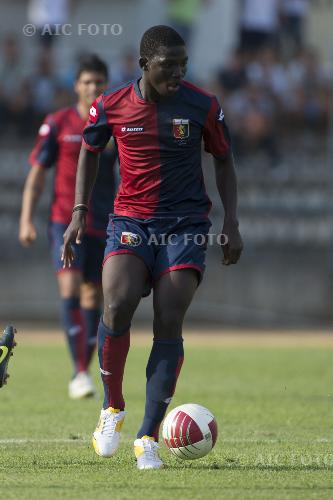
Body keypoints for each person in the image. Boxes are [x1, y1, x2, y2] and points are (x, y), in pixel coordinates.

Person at [62, 25, 243, 470]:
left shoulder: (202, 105)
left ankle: (148, 437)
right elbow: (90, 149)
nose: (178, 73)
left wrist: (232, 221)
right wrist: (80, 210)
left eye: (183, 64)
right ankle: (112, 409)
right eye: (169, 65)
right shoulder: (112, 104)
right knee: (117, 303)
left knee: (170, 315)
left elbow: (224, 159)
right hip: (130, 220)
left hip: (185, 225)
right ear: (145, 65)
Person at [19, 55, 117, 399]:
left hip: (103, 220)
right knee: (70, 288)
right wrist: (26, 218)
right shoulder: (58, 122)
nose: (93, 88)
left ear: (106, 85)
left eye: (99, 82)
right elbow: (37, 175)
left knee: (94, 293)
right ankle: (78, 372)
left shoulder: (114, 126)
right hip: (64, 219)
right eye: (87, 82)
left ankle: (83, 370)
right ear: (76, 85)